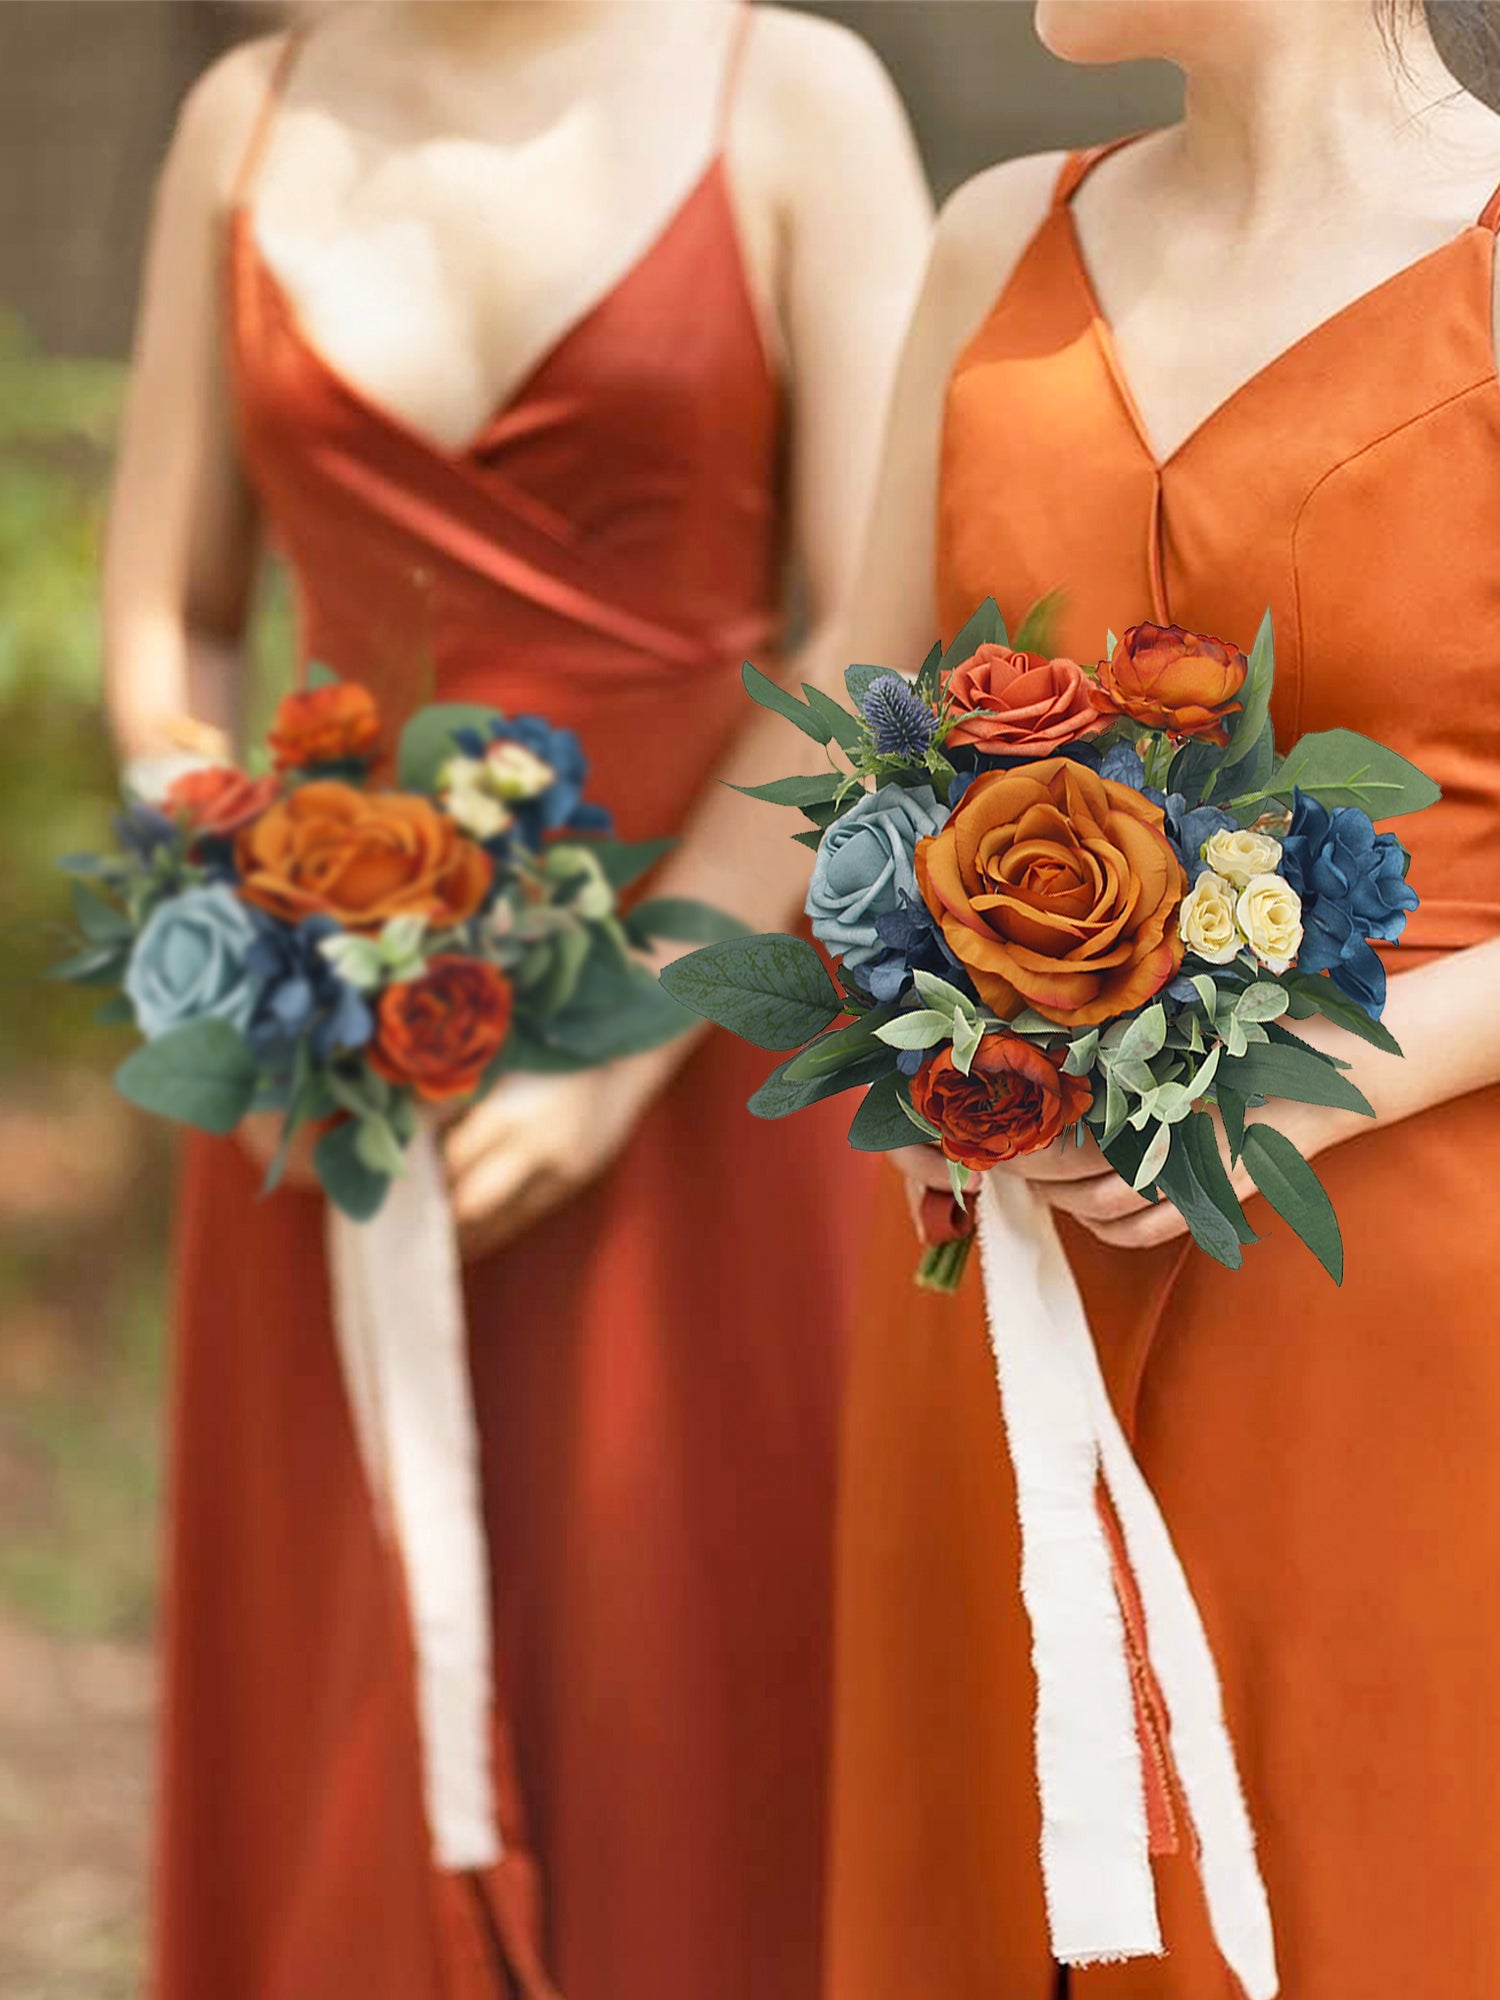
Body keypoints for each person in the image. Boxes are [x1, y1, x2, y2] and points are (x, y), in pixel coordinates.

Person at [102, 6, 930, 1997]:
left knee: (698, 1686)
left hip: (714, 1037)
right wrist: (243, 910)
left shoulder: (795, 94)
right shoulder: (248, 114)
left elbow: (878, 622)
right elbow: (171, 611)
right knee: (346, 1706)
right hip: (331, 1072)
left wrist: (636, 1017)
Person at [823, 4, 1500, 1995]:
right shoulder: (990, 241)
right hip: (1000, 1259)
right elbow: (860, 760)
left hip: (1392, 1274)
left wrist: (1306, 1095)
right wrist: (926, 1049)